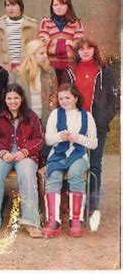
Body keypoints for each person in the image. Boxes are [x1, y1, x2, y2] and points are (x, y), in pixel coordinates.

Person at [0, 83, 44, 238]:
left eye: (16, 98)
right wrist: (1, 152)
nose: (13, 101)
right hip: (4, 153)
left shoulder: (31, 116)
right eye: (9, 98)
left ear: (21, 99)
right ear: (4, 99)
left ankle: (31, 222)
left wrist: (25, 151)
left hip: (25, 154)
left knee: (27, 176)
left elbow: (40, 139)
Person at [62, 37, 118, 225]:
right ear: (77, 52)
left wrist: (104, 117)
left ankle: (92, 204)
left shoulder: (105, 72)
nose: (85, 51)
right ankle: (73, 202)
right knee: (72, 162)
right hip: (75, 124)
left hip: (97, 124)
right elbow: (63, 96)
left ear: (94, 50)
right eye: (81, 49)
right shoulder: (70, 72)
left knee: (94, 165)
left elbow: (115, 98)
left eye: (89, 48)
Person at [42, 84, 98, 238]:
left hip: (79, 155)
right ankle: (53, 220)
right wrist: (60, 136)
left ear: (76, 98)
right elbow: (48, 139)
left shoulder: (87, 116)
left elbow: (93, 143)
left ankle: (76, 219)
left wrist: (78, 138)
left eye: (67, 97)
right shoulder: (55, 114)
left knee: (75, 173)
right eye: (61, 98)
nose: (64, 101)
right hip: (58, 154)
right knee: (53, 175)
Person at [9, 39, 58, 129]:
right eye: (41, 53)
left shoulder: (50, 72)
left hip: (46, 120)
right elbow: (11, 100)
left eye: (46, 53)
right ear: (32, 55)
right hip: (24, 121)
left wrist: (51, 118)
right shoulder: (16, 74)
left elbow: (53, 97)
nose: (46, 56)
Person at [38, 0, 85, 83]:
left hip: (70, 68)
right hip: (49, 68)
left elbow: (77, 47)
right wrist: (67, 43)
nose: (59, 7)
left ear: (68, 6)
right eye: (55, 4)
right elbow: (43, 46)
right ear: (52, 7)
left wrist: (53, 43)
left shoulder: (77, 23)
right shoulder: (45, 22)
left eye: (62, 4)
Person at [0, 0, 38, 72]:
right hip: (4, 69)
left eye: (13, 5)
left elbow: (36, 49)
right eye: (7, 5)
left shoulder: (31, 26)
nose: (10, 8)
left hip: (25, 68)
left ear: (20, 6)